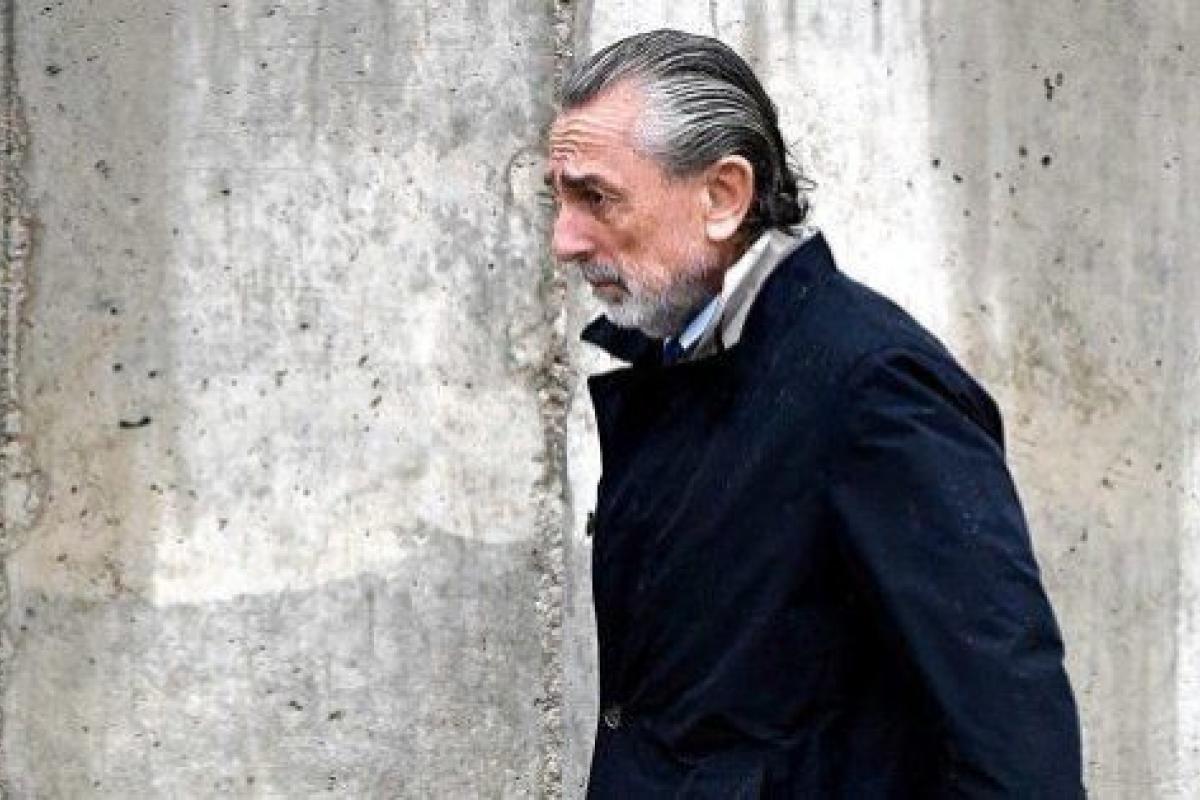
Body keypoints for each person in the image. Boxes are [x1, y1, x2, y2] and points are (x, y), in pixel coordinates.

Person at [546, 28, 1084, 799]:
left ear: (723, 197)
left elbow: (1015, 747)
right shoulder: (689, 370)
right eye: (558, 199)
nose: (565, 240)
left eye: (595, 197)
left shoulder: (871, 386)